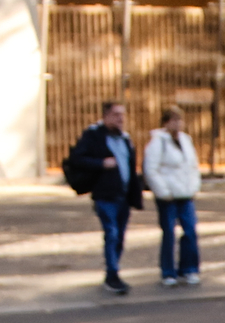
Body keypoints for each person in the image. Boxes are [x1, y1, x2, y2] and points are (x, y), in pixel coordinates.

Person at [62, 102, 146, 294]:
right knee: (112, 233)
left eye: (122, 115)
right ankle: (112, 274)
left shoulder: (125, 139)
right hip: (105, 195)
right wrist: (101, 163)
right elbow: (76, 159)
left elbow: (131, 167)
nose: (120, 119)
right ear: (106, 116)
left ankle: (114, 269)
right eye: (116, 114)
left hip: (123, 196)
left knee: (120, 237)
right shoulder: (94, 136)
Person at [143, 107, 203, 287]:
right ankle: (168, 271)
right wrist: (163, 191)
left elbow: (192, 166)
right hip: (168, 196)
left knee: (190, 231)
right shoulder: (158, 142)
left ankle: (189, 268)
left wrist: (193, 187)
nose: (177, 124)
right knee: (169, 232)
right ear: (165, 123)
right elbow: (151, 169)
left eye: (180, 120)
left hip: (185, 193)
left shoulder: (186, 141)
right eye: (173, 120)